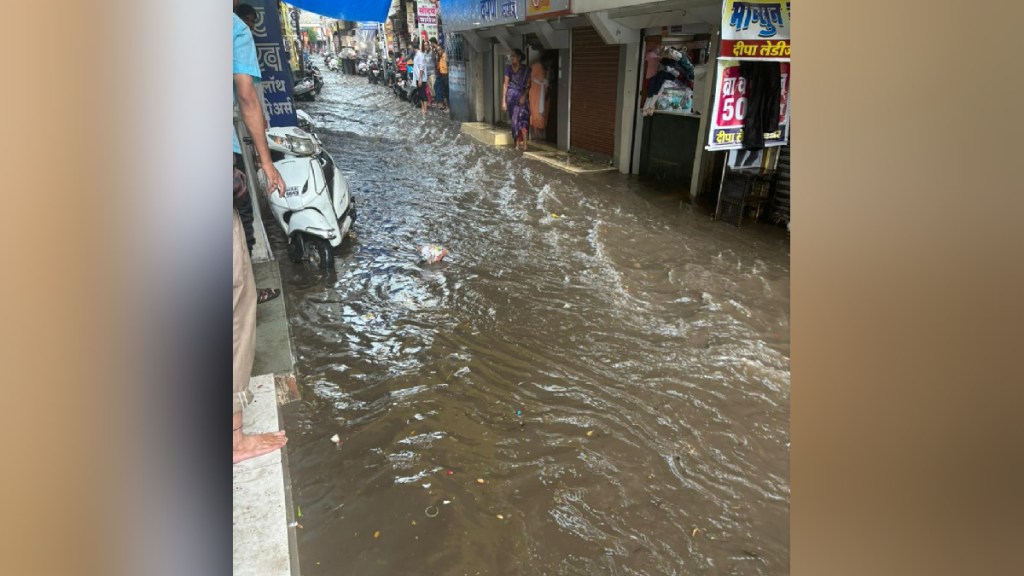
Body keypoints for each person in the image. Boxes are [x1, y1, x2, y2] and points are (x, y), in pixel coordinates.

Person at [233, 2, 288, 464]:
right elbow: (247, 97)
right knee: (237, 295)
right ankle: (233, 436)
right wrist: (266, 162)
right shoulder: (230, 31)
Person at [502, 49, 531, 151]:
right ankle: (517, 144)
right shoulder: (508, 69)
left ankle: (525, 144)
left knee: (523, 119)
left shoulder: (526, 70)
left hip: (522, 96)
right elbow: (505, 85)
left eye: (514, 56)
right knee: (514, 121)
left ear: (519, 58)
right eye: (511, 56)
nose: (512, 58)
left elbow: (528, 85)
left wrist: (524, 96)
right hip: (511, 99)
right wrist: (503, 101)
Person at [529, 56, 549, 133]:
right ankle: (537, 136)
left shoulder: (538, 67)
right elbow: (541, 79)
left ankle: (537, 135)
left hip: (537, 93)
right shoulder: (538, 66)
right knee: (537, 113)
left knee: (537, 113)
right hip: (537, 93)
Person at [432, 38, 448, 112]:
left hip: (445, 75)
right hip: (441, 73)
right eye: (438, 50)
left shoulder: (445, 56)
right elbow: (439, 66)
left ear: (443, 49)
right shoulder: (440, 57)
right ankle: (442, 103)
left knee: (445, 90)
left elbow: (447, 65)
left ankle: (445, 106)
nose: (439, 51)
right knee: (439, 88)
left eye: (440, 50)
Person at [413, 41, 428, 116]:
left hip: (421, 78)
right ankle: (422, 108)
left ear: (414, 48)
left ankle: (425, 110)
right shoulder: (416, 55)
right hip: (417, 78)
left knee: (423, 94)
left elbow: (421, 68)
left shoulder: (420, 55)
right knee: (420, 94)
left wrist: (420, 79)